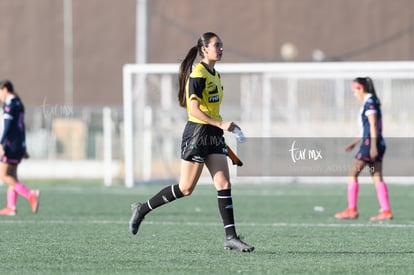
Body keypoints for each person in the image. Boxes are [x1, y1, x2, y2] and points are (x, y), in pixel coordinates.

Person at [129, 32, 254, 252]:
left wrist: (225, 127)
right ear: (204, 49)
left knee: (224, 184)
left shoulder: (215, 74)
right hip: (197, 134)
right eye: (217, 45)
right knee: (186, 188)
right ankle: (142, 209)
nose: (221, 48)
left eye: (222, 45)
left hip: (213, 134)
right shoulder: (198, 73)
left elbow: (210, 109)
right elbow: (193, 110)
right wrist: (220, 124)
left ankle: (231, 237)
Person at [335, 77, 392, 221]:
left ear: (361, 88)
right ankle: (386, 211)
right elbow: (367, 128)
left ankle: (351, 209)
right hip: (377, 142)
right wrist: (354, 142)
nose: (354, 94)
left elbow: (372, 126)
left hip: (370, 144)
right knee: (377, 176)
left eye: (354, 91)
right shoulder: (373, 101)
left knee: (352, 173)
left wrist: (372, 146)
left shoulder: (370, 102)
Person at [0, 80, 39, 216]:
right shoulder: (19, 103)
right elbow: (21, 127)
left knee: (3, 175)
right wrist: (23, 146)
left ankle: (30, 195)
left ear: (4, 89)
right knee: (12, 176)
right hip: (18, 145)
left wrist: (1, 143)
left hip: (10, 145)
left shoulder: (10, 104)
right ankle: (11, 207)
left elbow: (8, 126)